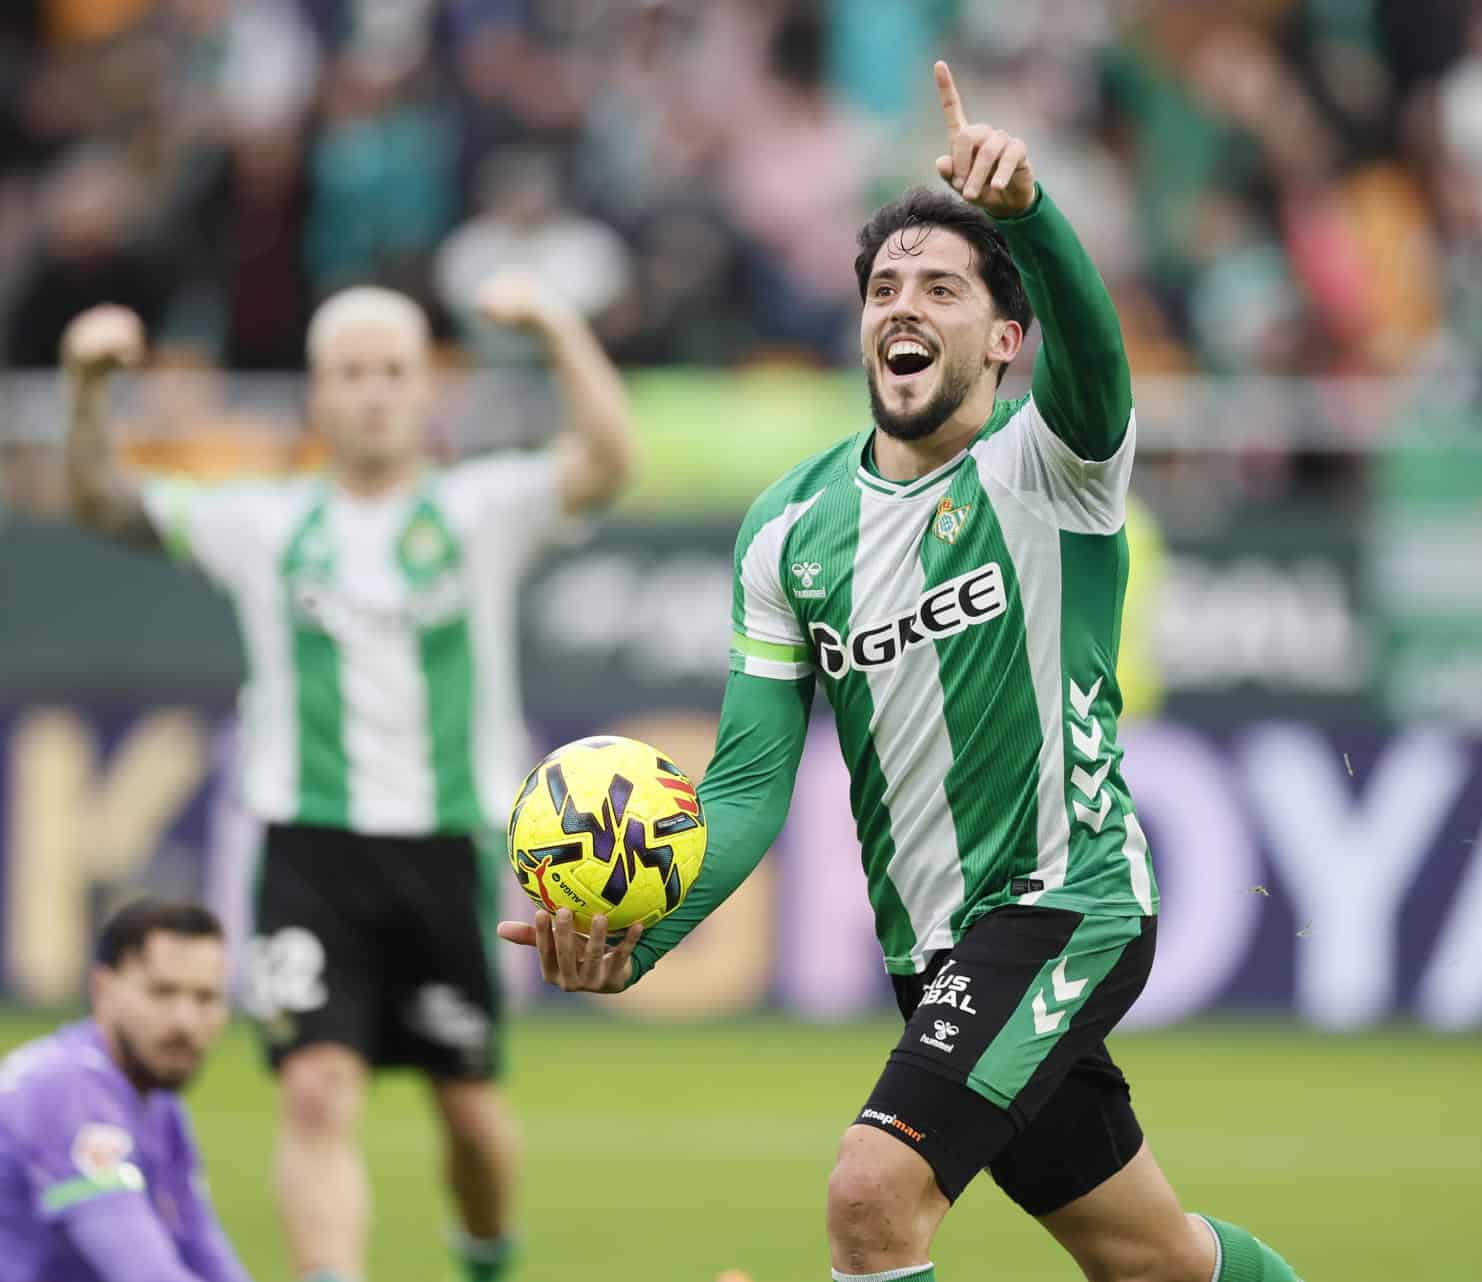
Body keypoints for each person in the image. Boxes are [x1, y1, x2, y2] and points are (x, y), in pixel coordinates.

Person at [501, 62, 1302, 1282]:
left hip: (1062, 902)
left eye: (940, 287)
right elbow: (751, 784)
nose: (902, 307)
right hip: (928, 947)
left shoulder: (1054, 470)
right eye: (883, 288)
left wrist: (1030, 214)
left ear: (1004, 337)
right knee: (1158, 1261)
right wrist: (640, 938)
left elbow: (1100, 362)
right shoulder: (788, 527)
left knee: (872, 1197)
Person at [60, 272, 635, 1282]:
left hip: (446, 845)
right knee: (317, 1090)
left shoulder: (482, 508)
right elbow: (103, 501)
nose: (372, 391)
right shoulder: (262, 523)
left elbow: (609, 460)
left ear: (429, 391)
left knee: (469, 1111)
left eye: (393, 371)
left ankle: (486, 1254)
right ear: (318, 398)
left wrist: (556, 323)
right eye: (350, 373)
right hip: (306, 847)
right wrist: (83, 385)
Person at [0, 899, 248, 1282]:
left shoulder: (157, 1101)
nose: (185, 1021)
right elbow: (146, 1273)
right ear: (102, 988)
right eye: (162, 992)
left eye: (205, 998)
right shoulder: (67, 1093)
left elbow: (205, 1251)